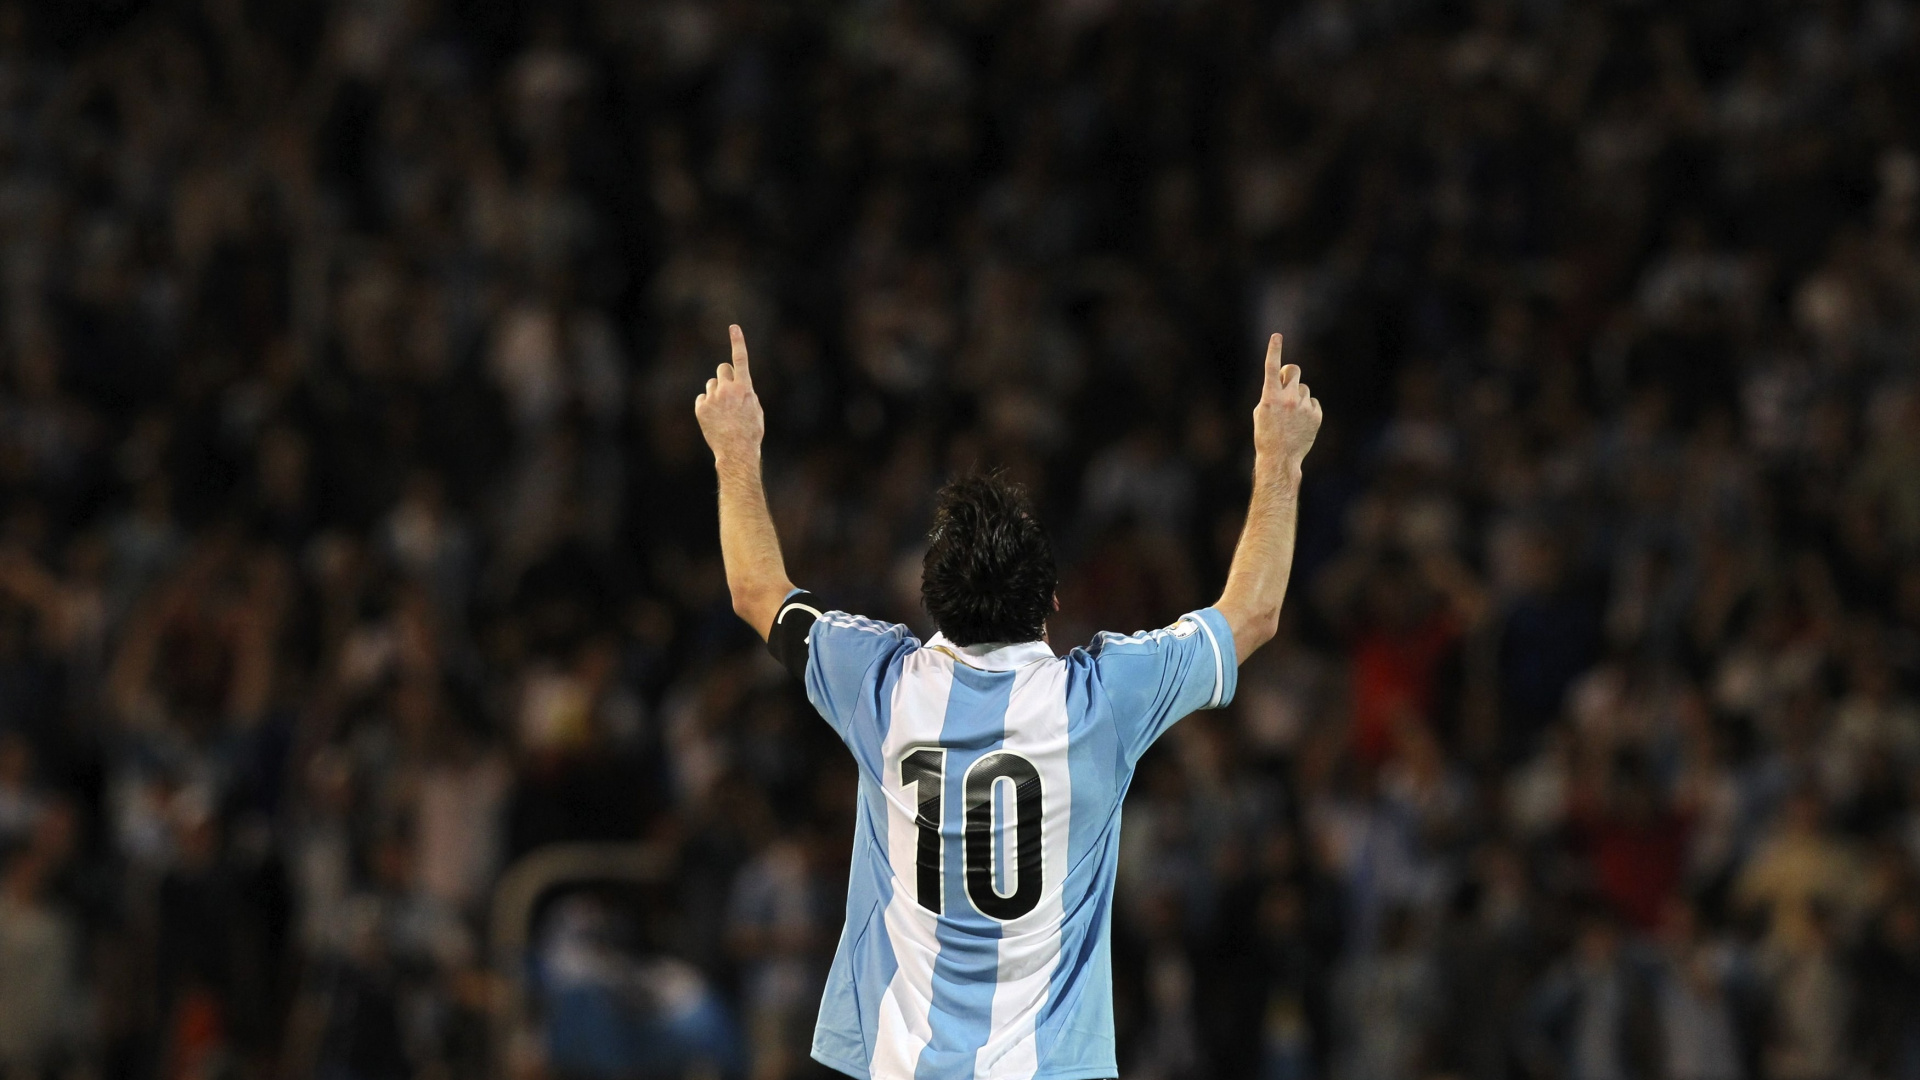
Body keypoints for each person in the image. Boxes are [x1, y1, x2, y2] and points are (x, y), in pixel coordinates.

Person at [694, 325, 1322, 1080]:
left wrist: (735, 448)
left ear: (928, 599)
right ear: (1052, 600)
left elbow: (754, 590)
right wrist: (1279, 459)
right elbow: (1251, 613)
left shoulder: (879, 684)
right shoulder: (1099, 701)